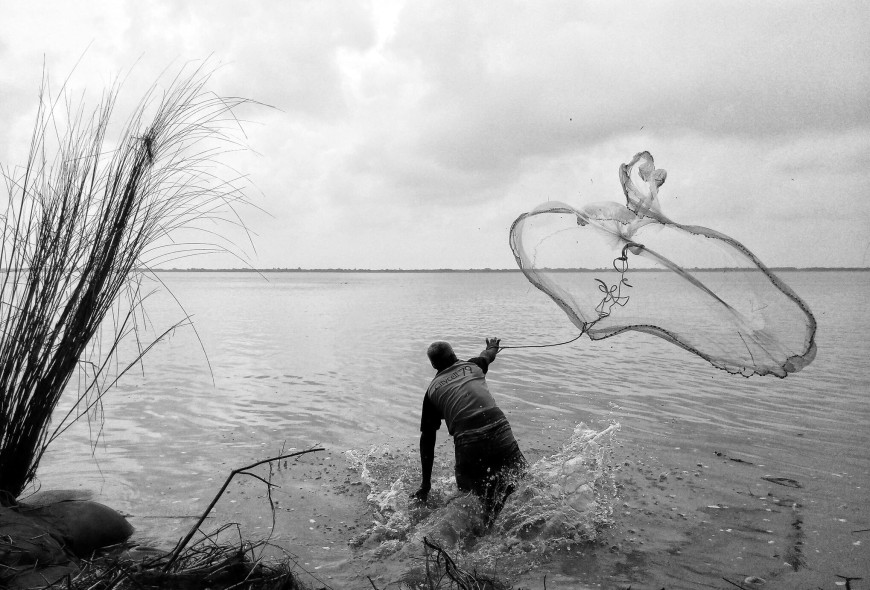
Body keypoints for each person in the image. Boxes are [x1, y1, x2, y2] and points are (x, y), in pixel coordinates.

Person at [411, 337, 526, 527]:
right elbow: (487, 356)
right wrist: (492, 347)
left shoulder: (432, 391)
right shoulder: (473, 366)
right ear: (454, 356)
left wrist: (425, 484)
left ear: (433, 365)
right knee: (521, 478)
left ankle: (479, 533)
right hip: (499, 429)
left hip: (468, 441)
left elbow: (427, 439)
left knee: (470, 497)